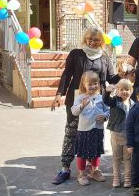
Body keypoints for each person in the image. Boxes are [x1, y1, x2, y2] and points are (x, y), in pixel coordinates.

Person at [51, 27, 119, 185]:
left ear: (101, 42)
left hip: (98, 102)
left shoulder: (105, 57)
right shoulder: (76, 54)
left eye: (96, 39)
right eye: (89, 38)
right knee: (72, 133)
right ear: (85, 39)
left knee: (94, 134)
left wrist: (123, 75)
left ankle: (92, 168)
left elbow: (111, 78)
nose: (92, 41)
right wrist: (58, 94)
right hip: (77, 101)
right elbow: (67, 74)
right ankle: (65, 168)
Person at [71, 71, 110, 186]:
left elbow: (108, 111)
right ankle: (82, 173)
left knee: (96, 152)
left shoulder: (102, 97)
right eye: (90, 84)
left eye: (95, 83)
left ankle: (95, 170)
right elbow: (74, 111)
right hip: (84, 130)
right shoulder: (80, 97)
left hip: (97, 129)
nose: (93, 86)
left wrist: (104, 116)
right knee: (82, 153)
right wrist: (81, 105)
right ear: (84, 84)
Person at [103, 79, 135, 188]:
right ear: (117, 91)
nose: (124, 92)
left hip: (128, 136)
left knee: (127, 158)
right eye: (121, 89)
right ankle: (116, 177)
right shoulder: (114, 101)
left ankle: (127, 178)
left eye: (127, 89)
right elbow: (106, 101)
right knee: (116, 157)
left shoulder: (133, 104)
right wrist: (107, 92)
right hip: (116, 134)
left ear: (131, 91)